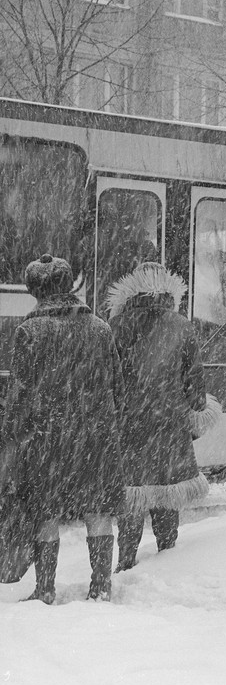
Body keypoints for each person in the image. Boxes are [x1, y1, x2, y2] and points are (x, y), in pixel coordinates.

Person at [0, 254, 125, 604]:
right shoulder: (100, 327)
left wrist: (11, 434)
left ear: (34, 290)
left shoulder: (29, 332)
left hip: (48, 439)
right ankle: (100, 586)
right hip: (95, 436)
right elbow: (118, 384)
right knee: (98, 510)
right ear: (69, 285)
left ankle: (45, 589)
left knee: (45, 512)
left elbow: (20, 394)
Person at [105, 261, 210, 572]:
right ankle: (167, 557)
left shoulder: (116, 326)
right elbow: (195, 385)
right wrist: (191, 422)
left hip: (129, 426)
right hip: (169, 425)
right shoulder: (182, 326)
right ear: (168, 290)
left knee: (133, 497)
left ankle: (125, 561)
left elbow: (106, 380)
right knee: (167, 496)